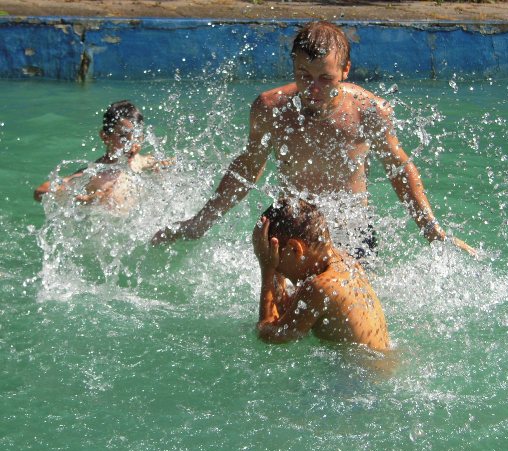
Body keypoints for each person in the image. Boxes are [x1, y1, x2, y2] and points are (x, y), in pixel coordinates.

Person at [153, 21, 476, 257]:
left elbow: (399, 168)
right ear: (293, 67)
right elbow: (249, 166)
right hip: (290, 225)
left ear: (345, 70)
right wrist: (201, 222)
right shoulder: (271, 108)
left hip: (350, 230)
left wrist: (432, 230)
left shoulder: (369, 111)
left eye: (325, 78)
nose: (313, 89)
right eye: (304, 76)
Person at [253, 198, 390, 351]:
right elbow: (285, 310)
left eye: (275, 257)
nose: (276, 267)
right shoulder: (347, 262)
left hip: (359, 367)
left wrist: (267, 268)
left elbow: (272, 336)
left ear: (295, 249)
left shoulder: (319, 287)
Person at [34, 100, 164, 210]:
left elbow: (167, 164)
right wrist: (84, 200)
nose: (131, 144)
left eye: (136, 136)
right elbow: (41, 191)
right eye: (123, 137)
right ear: (105, 137)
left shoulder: (142, 161)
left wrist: (165, 166)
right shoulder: (95, 174)